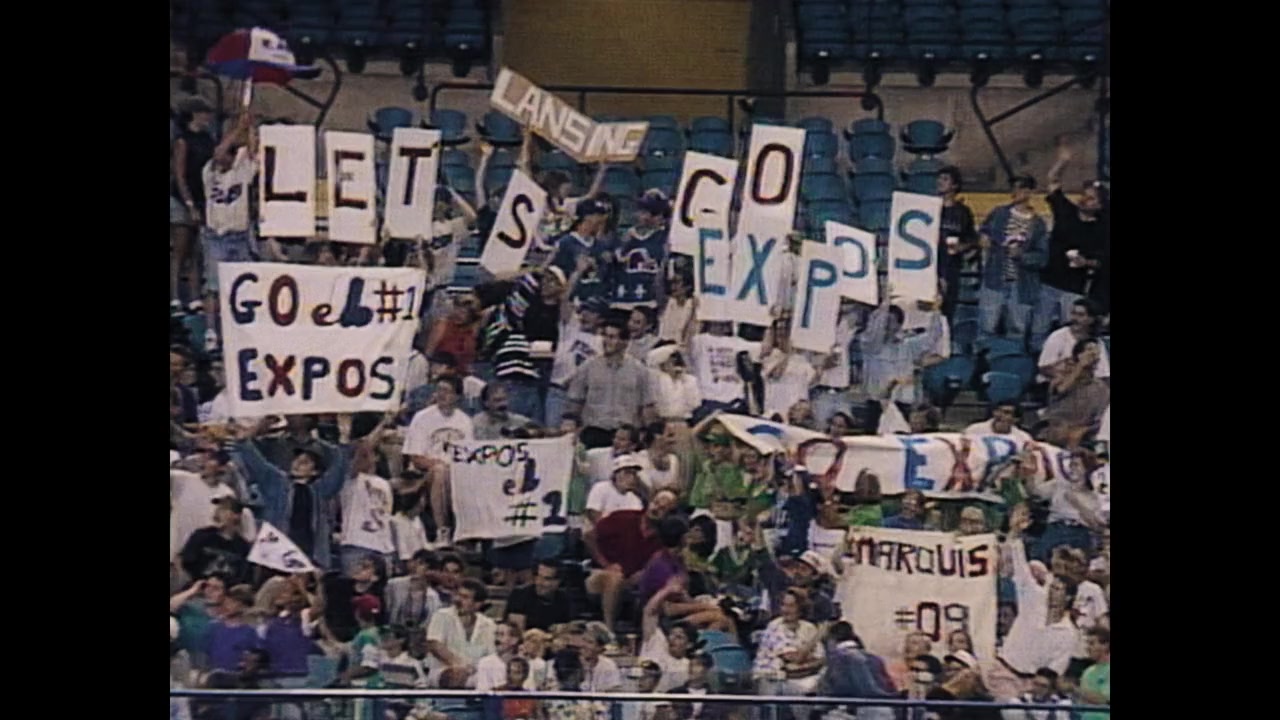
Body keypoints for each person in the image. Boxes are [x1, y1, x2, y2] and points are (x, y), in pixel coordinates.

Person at [234, 416, 353, 571]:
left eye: (304, 462)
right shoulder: (277, 482)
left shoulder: (319, 490)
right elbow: (259, 465)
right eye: (295, 460)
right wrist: (244, 442)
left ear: (315, 471)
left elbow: (338, 472)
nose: (296, 464)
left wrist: (344, 440)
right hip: (276, 553)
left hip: (310, 553)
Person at [1036, 143, 1109, 350]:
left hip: (1075, 288)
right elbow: (1053, 181)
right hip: (1049, 282)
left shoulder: (1103, 228)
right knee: (1038, 332)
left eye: (1091, 198)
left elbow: (1103, 261)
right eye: (1084, 195)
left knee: (1070, 334)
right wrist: (1063, 161)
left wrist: (1086, 262)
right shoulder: (1066, 211)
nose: (1084, 199)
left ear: (1100, 205)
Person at [475, 266, 571, 425]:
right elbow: (501, 278)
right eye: (545, 279)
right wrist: (536, 269)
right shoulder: (524, 306)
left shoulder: (560, 310)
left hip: (544, 368)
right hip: (517, 368)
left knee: (537, 421)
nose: (545, 283)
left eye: (552, 281)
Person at [584, 488, 679, 632]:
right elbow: (588, 536)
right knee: (615, 578)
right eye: (656, 503)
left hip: (632, 583)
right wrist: (605, 564)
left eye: (663, 508)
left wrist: (646, 572)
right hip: (599, 574)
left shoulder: (663, 537)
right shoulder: (623, 518)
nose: (656, 509)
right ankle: (609, 630)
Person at [1000, 507, 1079, 677]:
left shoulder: (1069, 633)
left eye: (1058, 590)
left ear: (1068, 597)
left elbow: (1055, 670)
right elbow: (1020, 565)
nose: (1052, 593)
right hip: (1002, 668)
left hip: (1033, 682)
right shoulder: (1034, 597)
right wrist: (1015, 532)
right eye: (1052, 588)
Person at [977, 176, 1048, 350]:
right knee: (986, 327)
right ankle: (983, 360)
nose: (1015, 192)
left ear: (1030, 192)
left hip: (1022, 285)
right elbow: (984, 230)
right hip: (994, 280)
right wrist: (983, 237)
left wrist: (1022, 256)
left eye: (1021, 189)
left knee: (1017, 330)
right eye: (1014, 188)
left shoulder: (1038, 224)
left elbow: (1042, 258)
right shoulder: (999, 213)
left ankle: (1012, 361)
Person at [404, 376, 475, 548]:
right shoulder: (422, 418)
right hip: (424, 473)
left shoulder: (465, 421)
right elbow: (416, 458)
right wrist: (442, 465)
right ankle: (442, 530)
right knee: (440, 471)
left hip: (457, 473)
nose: (441, 395)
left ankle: (472, 532)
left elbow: (469, 456)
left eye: (447, 391)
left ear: (457, 396)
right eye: (439, 390)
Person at [566, 318, 657, 449]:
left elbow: (647, 406)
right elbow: (575, 400)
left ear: (625, 342)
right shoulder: (588, 367)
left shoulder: (639, 370)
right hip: (594, 431)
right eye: (605, 336)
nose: (606, 341)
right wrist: (570, 425)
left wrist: (649, 435)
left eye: (612, 337)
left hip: (626, 435)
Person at [861, 291, 943, 432]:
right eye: (884, 321)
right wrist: (885, 305)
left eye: (891, 322)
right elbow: (874, 332)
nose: (886, 326)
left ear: (899, 324)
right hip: (877, 403)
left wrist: (936, 309)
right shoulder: (871, 346)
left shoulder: (908, 346)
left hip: (902, 402)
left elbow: (933, 337)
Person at [172, 96, 217, 302]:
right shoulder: (183, 140)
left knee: (197, 252)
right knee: (181, 250)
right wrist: (189, 203)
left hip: (202, 198)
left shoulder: (207, 139)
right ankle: (175, 296)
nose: (208, 117)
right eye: (204, 113)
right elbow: (179, 175)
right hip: (183, 198)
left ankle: (194, 296)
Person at [545, 292, 606, 430]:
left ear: (601, 318)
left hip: (585, 398)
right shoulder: (571, 329)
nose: (585, 314)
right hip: (559, 392)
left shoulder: (603, 342)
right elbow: (564, 300)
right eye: (584, 310)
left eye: (591, 312)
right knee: (553, 433)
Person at [753, 588, 826, 697]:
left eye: (791, 606)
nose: (786, 610)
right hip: (772, 679)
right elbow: (794, 659)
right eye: (783, 605)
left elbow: (821, 659)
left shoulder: (808, 627)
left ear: (800, 608)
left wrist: (804, 661)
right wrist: (816, 638)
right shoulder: (775, 626)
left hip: (802, 677)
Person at [426, 578, 497, 688]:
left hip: (476, 672)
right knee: (457, 674)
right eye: (458, 595)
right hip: (444, 670)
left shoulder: (488, 624)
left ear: (477, 604)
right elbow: (435, 644)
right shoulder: (442, 615)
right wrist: (457, 663)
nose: (458, 600)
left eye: (465, 597)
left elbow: (491, 654)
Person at [821, 621, 898, 720]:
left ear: (831, 640)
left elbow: (834, 689)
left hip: (861, 710)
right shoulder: (876, 659)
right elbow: (888, 685)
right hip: (885, 710)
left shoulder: (838, 659)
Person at [1039, 339, 1109, 446]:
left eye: (1096, 352)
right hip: (1054, 427)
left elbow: (1100, 419)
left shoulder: (1101, 388)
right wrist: (1081, 365)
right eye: (1089, 350)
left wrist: (1084, 430)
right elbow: (1061, 390)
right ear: (1077, 356)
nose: (1093, 354)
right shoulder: (1061, 378)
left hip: (1082, 434)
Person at [551, 199, 617, 304]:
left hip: (597, 302)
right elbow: (556, 277)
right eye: (597, 215)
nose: (601, 220)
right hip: (573, 301)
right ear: (586, 218)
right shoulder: (565, 243)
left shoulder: (601, 245)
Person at [937, 166, 980, 319]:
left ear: (954, 185)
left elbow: (972, 239)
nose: (940, 182)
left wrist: (962, 246)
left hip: (951, 267)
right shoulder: (930, 207)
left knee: (947, 311)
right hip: (929, 265)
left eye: (945, 179)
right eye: (939, 178)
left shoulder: (963, 212)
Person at [1036, 299, 1110, 387]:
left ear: (1091, 319)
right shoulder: (1058, 336)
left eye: (1081, 315)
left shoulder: (1097, 343)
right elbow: (1044, 367)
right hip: (1055, 386)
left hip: (1086, 387)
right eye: (1073, 313)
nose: (1075, 318)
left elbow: (1103, 374)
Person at [616, 193, 670, 311]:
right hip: (624, 297)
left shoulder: (663, 238)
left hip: (649, 300)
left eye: (644, 212)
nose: (639, 216)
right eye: (639, 211)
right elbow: (617, 261)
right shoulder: (626, 238)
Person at [760, 312, 819, 421]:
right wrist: (788, 354)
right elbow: (775, 375)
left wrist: (824, 362)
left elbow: (813, 380)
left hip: (796, 417)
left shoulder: (801, 359)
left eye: (785, 330)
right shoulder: (770, 355)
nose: (782, 333)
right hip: (774, 414)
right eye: (779, 330)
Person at [687, 321, 754, 417]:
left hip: (735, 401)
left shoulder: (737, 342)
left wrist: (771, 323)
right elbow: (685, 340)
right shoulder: (700, 340)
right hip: (708, 400)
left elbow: (765, 350)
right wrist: (695, 315)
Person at [180, 497, 252, 586]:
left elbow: (243, 577)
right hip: (198, 587)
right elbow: (186, 562)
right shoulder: (201, 535)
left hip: (226, 591)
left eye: (223, 509)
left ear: (236, 516)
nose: (218, 512)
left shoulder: (242, 547)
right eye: (218, 509)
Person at [423, 291, 484, 376]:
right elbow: (428, 354)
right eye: (457, 309)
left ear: (471, 316)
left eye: (463, 313)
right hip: (438, 371)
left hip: (459, 374)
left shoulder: (470, 334)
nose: (458, 314)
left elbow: (468, 360)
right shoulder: (442, 325)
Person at [504, 560, 573, 633]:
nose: (539, 582)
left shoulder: (563, 600)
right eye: (537, 576)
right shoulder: (519, 595)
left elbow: (565, 630)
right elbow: (516, 633)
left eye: (546, 579)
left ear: (558, 582)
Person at [206, 584, 262, 673]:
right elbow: (204, 655)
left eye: (233, 602)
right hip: (213, 675)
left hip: (237, 676)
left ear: (243, 607)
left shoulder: (250, 632)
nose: (227, 606)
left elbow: (254, 659)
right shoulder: (213, 627)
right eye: (226, 602)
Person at [386, 549, 443, 629]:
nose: (416, 566)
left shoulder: (433, 598)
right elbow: (387, 610)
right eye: (416, 562)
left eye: (422, 564)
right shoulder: (394, 585)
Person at [585, 454, 646, 525]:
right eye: (627, 473)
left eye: (634, 474)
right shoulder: (601, 488)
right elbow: (593, 514)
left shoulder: (636, 500)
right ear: (616, 474)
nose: (632, 477)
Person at [476, 621, 534, 691]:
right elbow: (482, 691)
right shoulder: (485, 663)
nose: (497, 639)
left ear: (514, 640)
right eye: (496, 634)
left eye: (501, 634)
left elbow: (529, 689)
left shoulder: (525, 663)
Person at [651, 347, 703, 423]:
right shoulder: (658, 379)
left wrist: (683, 381)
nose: (673, 366)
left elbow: (695, 403)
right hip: (662, 421)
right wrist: (671, 349)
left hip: (684, 420)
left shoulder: (690, 380)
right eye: (669, 362)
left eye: (675, 362)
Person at [1000, 668, 1073, 720]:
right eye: (1035, 684)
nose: (1038, 688)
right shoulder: (1019, 702)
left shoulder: (1061, 704)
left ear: (1051, 689)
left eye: (1043, 686)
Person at [657, 269, 698, 347]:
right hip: (664, 345)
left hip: (682, 346)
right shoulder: (669, 303)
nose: (673, 287)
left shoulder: (692, 305)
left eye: (677, 283)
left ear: (688, 286)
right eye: (672, 283)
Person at [964, 402, 1033, 446]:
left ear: (1016, 419)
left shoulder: (1023, 438)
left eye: (1006, 413)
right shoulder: (974, 430)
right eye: (998, 411)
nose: (1000, 415)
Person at [1078, 629, 1110, 720]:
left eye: (1092, 643)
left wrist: (1074, 689)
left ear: (1105, 646)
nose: (1088, 648)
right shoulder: (1087, 671)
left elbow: (1104, 700)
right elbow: (1082, 702)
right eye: (1087, 644)